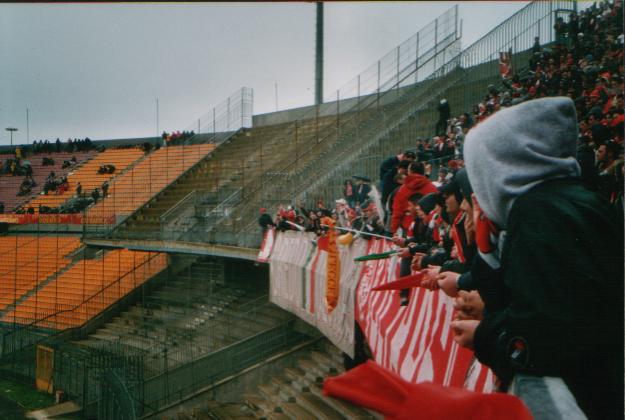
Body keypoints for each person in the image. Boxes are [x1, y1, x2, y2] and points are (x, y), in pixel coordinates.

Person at [454, 97, 622, 419]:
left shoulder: (538, 216)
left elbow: (542, 341)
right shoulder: (573, 201)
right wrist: (488, 253)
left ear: (501, 169)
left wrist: (484, 335)